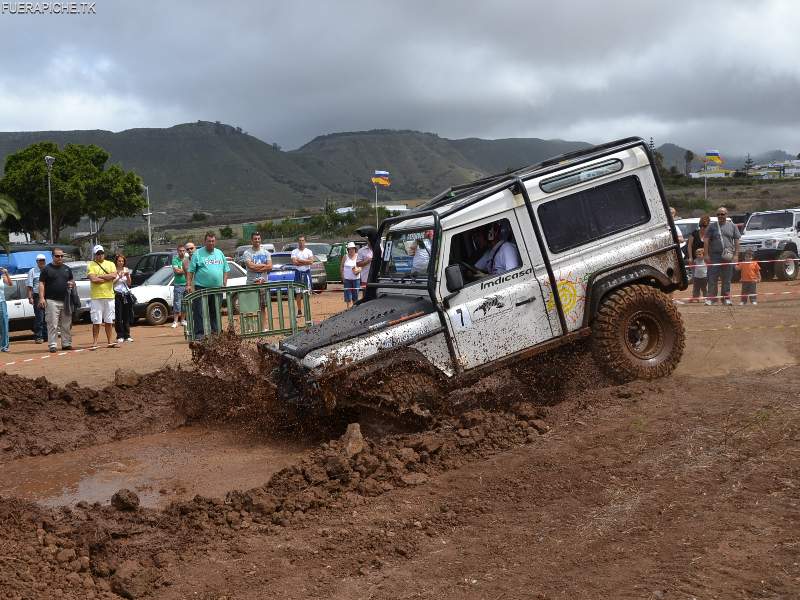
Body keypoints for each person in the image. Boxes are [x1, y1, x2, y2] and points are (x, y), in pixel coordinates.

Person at [187, 232, 230, 340]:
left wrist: (224, 282)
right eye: (209, 241)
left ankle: (216, 333)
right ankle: (199, 334)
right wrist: (188, 285)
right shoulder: (198, 254)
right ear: (205, 242)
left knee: (215, 311)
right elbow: (190, 271)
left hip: (217, 288)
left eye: (213, 241)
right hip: (201, 288)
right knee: (199, 311)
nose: (211, 243)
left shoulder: (219, 253)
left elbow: (226, 269)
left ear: (215, 241)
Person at [38, 248, 75, 353]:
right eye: (57, 256)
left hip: (66, 300)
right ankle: (53, 345)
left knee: (66, 324)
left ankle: (66, 344)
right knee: (52, 324)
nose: (60, 258)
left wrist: (72, 283)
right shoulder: (46, 269)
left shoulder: (67, 269)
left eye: (62, 256)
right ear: (53, 256)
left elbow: (72, 280)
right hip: (51, 300)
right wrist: (41, 298)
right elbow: (41, 283)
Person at [703, 206, 741, 306]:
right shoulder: (712, 227)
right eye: (718, 214)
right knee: (712, 277)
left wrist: (736, 255)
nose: (720, 216)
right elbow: (706, 241)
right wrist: (706, 255)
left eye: (722, 214)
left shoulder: (733, 226)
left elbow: (737, 241)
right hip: (714, 256)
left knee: (727, 278)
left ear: (726, 215)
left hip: (728, 255)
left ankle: (726, 298)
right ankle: (711, 299)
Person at [87, 245, 119, 349]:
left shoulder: (110, 264)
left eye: (101, 253)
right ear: (95, 255)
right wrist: (107, 278)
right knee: (96, 321)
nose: (100, 255)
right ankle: (95, 342)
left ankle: (110, 341)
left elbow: (114, 276)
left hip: (109, 296)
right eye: (98, 253)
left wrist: (99, 276)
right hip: (96, 297)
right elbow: (93, 279)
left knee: (109, 320)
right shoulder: (91, 265)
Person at [243, 231, 273, 327]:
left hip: (263, 284)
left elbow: (270, 267)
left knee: (262, 307)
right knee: (250, 307)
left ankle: (263, 327)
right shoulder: (247, 253)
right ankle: (250, 328)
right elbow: (250, 266)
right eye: (255, 239)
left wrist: (257, 267)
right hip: (251, 283)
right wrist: (264, 265)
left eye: (258, 238)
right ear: (251, 240)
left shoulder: (266, 252)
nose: (257, 240)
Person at [290, 235, 314, 319]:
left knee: (307, 292)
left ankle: (307, 310)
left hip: (306, 273)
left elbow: (311, 262)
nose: (301, 242)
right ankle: (299, 311)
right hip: (298, 273)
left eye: (302, 240)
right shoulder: (294, 251)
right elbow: (295, 263)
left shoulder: (309, 251)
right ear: (298, 242)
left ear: (305, 242)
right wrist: (306, 261)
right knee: (298, 293)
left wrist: (300, 260)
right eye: (300, 240)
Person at [26, 254, 47, 343]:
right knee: (39, 317)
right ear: (37, 261)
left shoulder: (47, 270)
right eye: (40, 260)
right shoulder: (32, 271)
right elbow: (29, 286)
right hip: (37, 296)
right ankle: (38, 337)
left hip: (47, 296)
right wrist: (30, 297)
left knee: (47, 317)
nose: (42, 262)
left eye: (43, 260)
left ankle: (46, 336)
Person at [113, 254, 134, 343]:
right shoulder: (113, 270)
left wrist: (128, 275)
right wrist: (119, 277)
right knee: (118, 316)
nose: (121, 262)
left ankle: (127, 335)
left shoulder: (126, 269)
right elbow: (112, 283)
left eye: (122, 261)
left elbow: (129, 283)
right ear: (116, 262)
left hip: (126, 294)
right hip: (117, 294)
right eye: (119, 261)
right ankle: (119, 335)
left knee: (126, 315)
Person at [171, 244, 188, 328]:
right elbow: (177, 271)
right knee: (177, 303)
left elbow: (190, 270)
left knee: (185, 303)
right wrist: (186, 270)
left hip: (187, 284)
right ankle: (175, 321)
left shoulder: (187, 259)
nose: (182, 252)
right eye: (180, 251)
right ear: (177, 251)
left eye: (183, 250)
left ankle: (183, 320)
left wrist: (182, 270)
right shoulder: (175, 260)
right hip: (178, 285)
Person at [341, 242, 361, 309]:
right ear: (348, 250)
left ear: (355, 249)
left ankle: (355, 310)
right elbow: (341, 267)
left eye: (353, 249)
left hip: (356, 280)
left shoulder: (358, 256)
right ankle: (349, 310)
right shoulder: (345, 257)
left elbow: (361, 266)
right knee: (348, 297)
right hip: (347, 280)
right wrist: (343, 277)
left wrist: (358, 270)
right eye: (350, 249)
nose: (351, 250)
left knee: (355, 297)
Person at [0, 266, 12, 352]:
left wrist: (6, 273)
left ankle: (4, 346)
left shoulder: (2, 277)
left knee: (4, 324)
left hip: (1, 302)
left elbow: (10, 284)